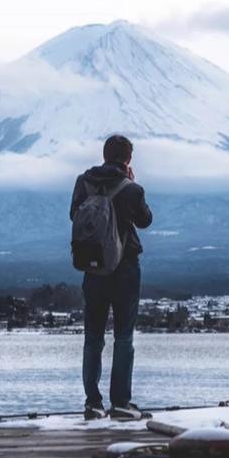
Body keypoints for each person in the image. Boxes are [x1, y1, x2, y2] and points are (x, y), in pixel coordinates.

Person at [70, 135, 153, 420]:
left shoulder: (84, 182)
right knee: (123, 337)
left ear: (104, 154)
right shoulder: (132, 189)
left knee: (92, 337)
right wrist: (130, 185)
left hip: (92, 269)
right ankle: (120, 402)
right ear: (128, 159)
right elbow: (145, 220)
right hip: (125, 269)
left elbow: (74, 215)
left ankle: (92, 403)